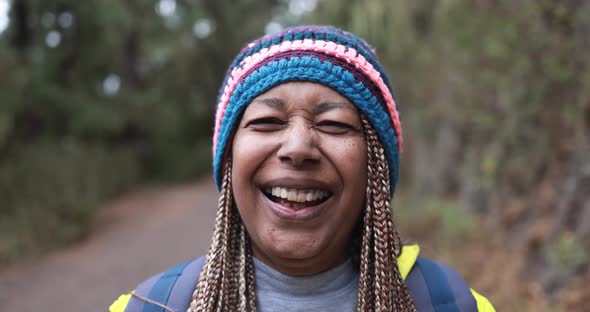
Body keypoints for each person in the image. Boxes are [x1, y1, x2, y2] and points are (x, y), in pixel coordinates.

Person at [110, 25, 495, 312]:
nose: (297, 148)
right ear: (229, 159)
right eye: (266, 123)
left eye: (334, 125)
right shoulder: (147, 306)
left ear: (375, 168)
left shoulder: (455, 305)